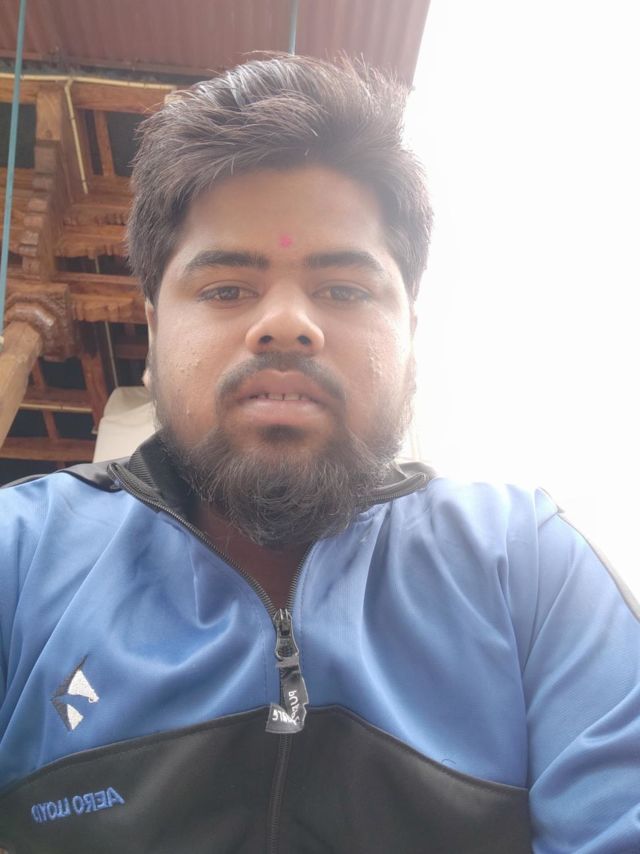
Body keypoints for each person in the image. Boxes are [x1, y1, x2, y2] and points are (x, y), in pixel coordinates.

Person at [0, 55, 638, 854]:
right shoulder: (20, 556)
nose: (286, 323)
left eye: (343, 289)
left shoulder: (529, 570)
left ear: (410, 341)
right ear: (154, 334)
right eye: (227, 289)